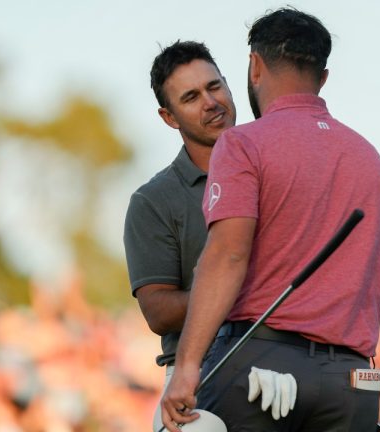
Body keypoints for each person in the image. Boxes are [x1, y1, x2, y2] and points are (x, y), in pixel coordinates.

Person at [162, 8, 380, 432]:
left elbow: (228, 255)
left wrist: (186, 366)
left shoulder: (242, 144)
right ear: (323, 77)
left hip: (262, 365)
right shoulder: (370, 158)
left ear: (254, 66)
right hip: (351, 383)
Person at [122, 40, 236, 432]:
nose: (210, 102)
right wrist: (237, 283)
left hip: (282, 366)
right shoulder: (153, 200)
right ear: (169, 117)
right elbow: (158, 310)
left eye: (214, 86)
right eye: (191, 97)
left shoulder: (278, 169)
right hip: (195, 381)